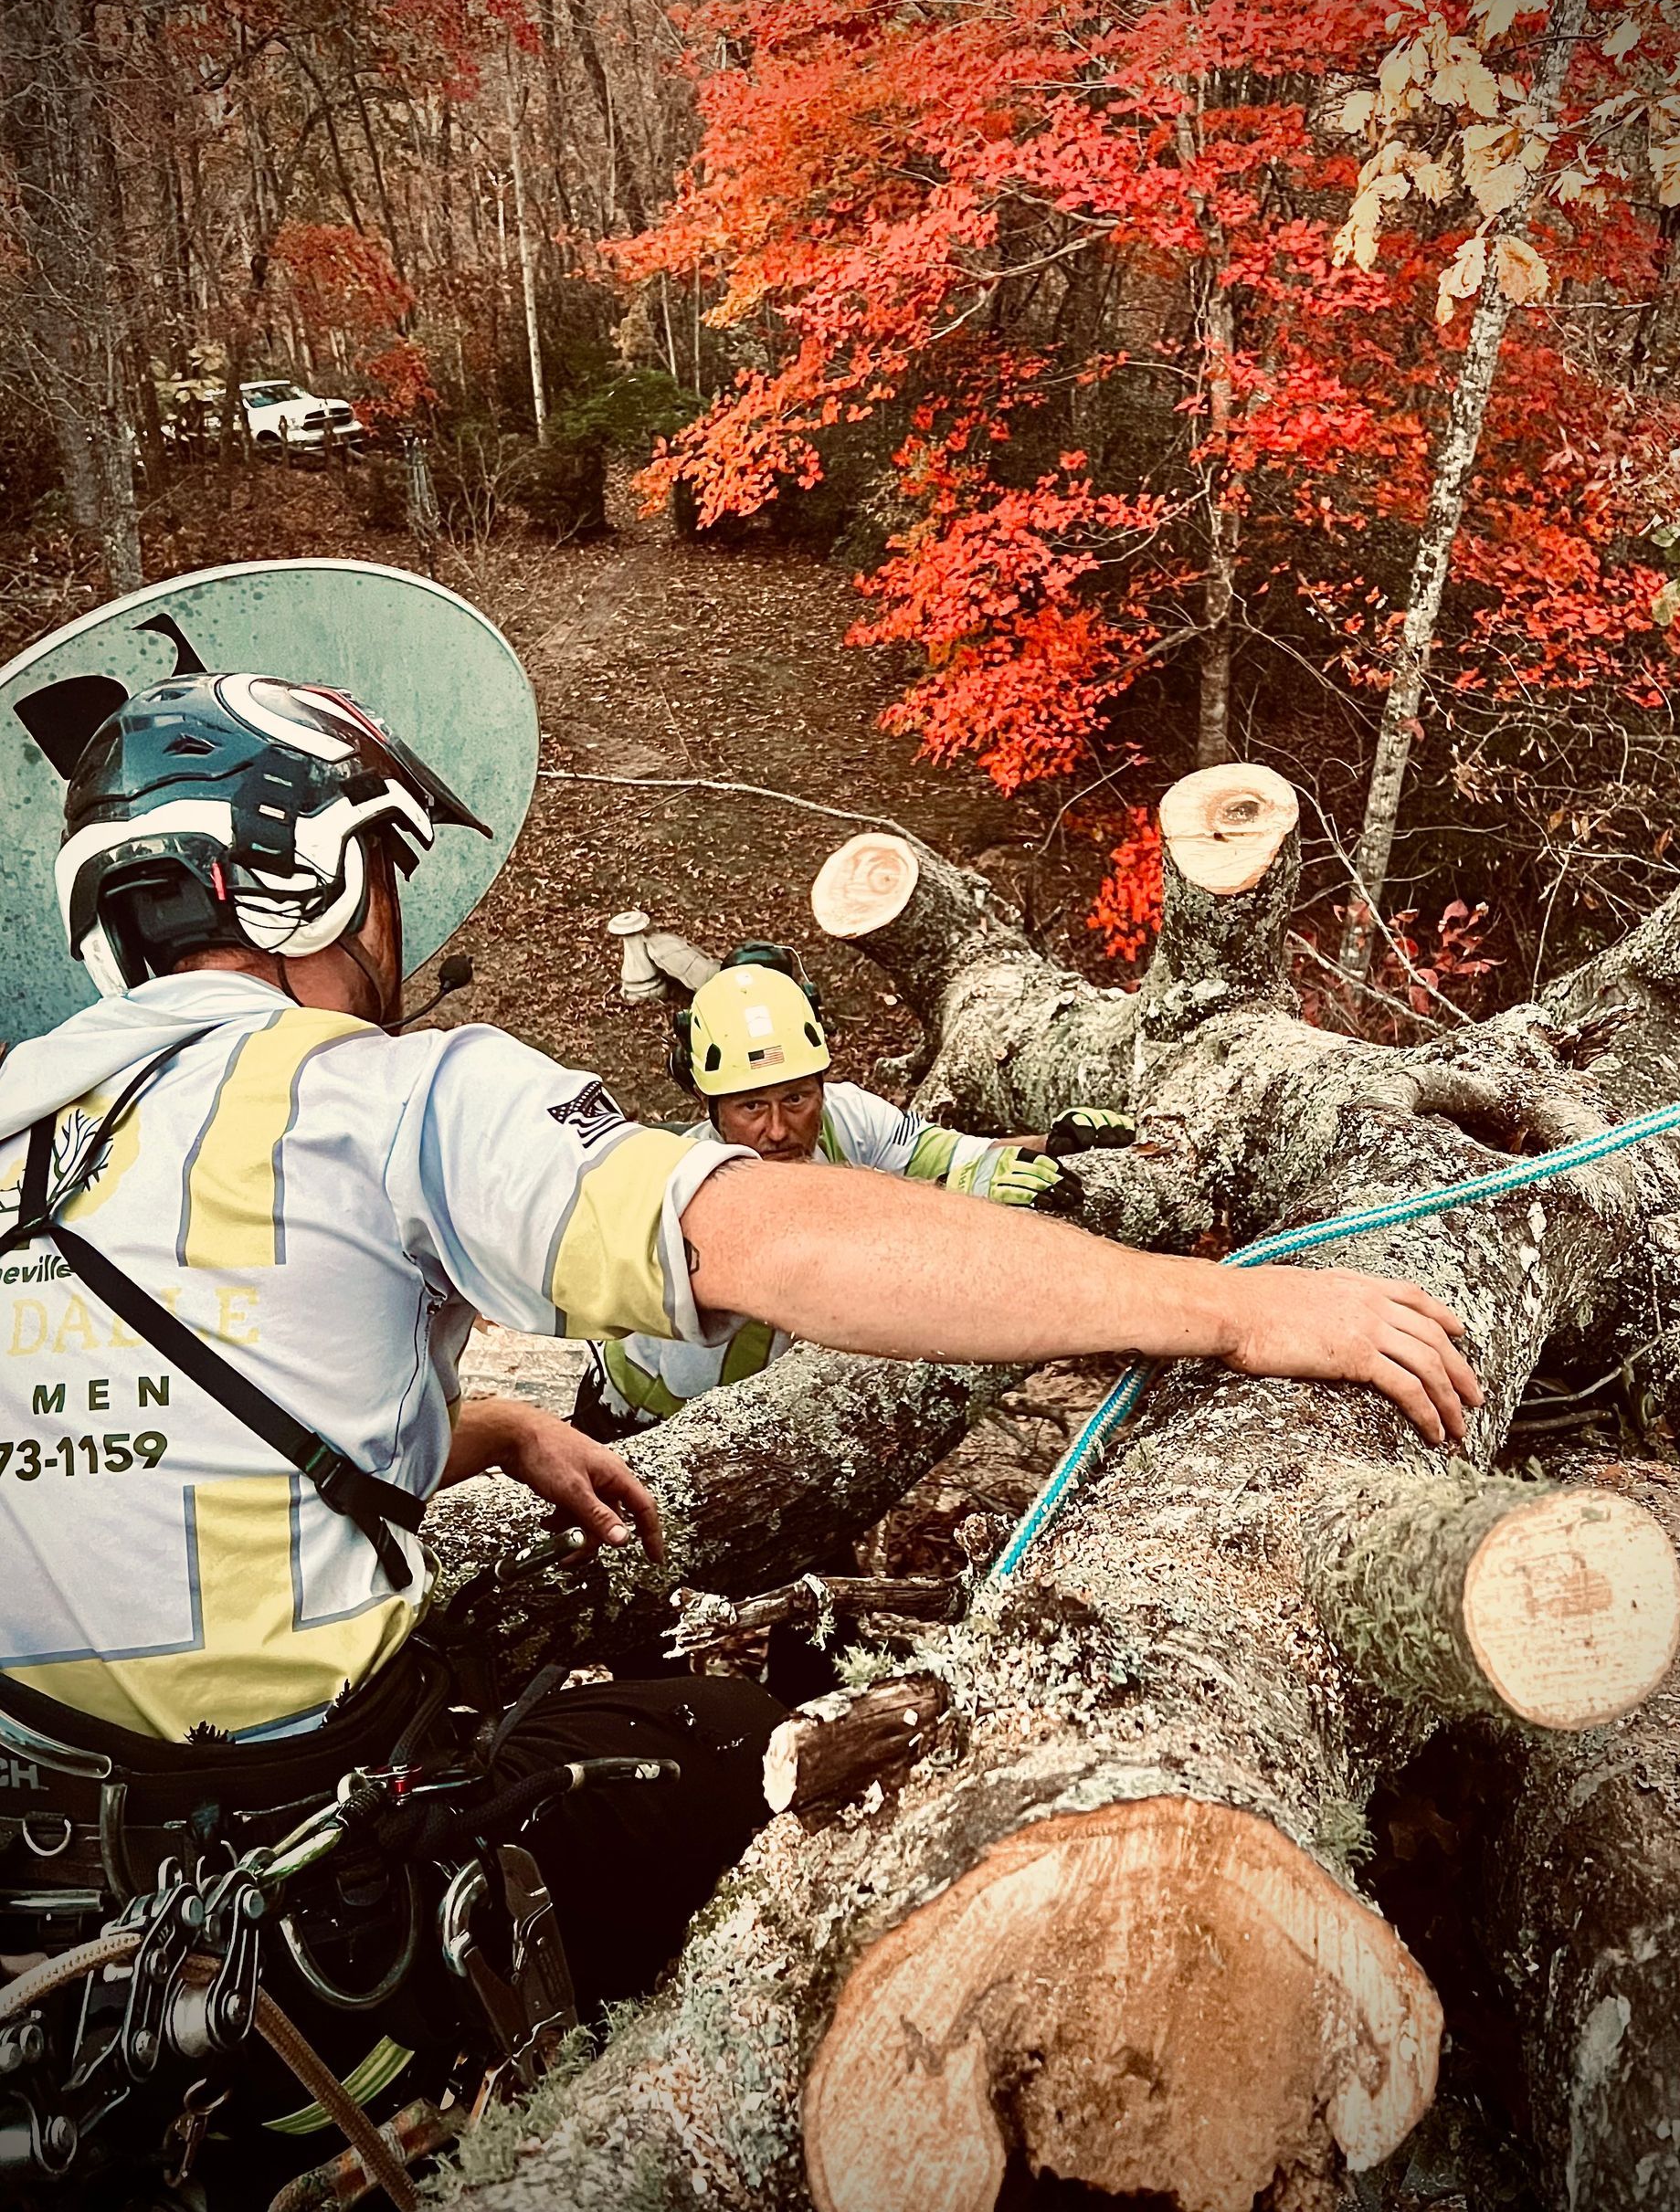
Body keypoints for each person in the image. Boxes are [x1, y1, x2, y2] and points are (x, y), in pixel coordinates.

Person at [0, 669, 1477, 2200]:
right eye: (383, 866)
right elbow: (776, 1246)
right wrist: (1227, 1312)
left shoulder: (21, 1124)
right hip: (318, 1917)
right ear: (294, 868)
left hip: (55, 1911)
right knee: (739, 1760)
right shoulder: (373, 1095)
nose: (395, 923)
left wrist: (492, 1423)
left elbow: (143, 1445)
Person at [572, 943, 1137, 1430]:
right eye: (751, 1106)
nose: (776, 1128)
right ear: (710, 1106)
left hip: (768, 1418)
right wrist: (957, 1196)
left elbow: (951, 1154)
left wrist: (1051, 1145)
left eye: (796, 1098)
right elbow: (842, 1245)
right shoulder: (696, 1183)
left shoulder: (846, 1116)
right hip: (642, 1422)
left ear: (820, 1085)